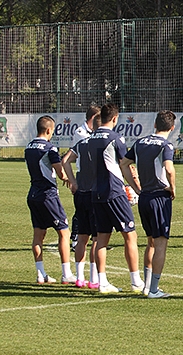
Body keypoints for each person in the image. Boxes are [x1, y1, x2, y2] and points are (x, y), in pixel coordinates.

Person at [87, 103, 145, 294]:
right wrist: (136, 188)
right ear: (114, 118)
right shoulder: (115, 138)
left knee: (101, 238)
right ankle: (136, 281)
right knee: (130, 235)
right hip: (114, 191)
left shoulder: (90, 139)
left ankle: (102, 282)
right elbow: (125, 165)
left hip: (96, 192)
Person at [121, 110, 177, 298]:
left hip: (144, 197)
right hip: (159, 198)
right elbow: (169, 169)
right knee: (161, 243)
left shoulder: (140, 142)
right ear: (172, 127)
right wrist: (172, 187)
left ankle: (146, 286)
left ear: (155, 124)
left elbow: (124, 164)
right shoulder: (166, 145)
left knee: (151, 242)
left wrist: (136, 188)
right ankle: (153, 289)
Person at [25, 116, 74, 284]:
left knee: (39, 234)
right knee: (64, 231)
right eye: (52, 130)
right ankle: (66, 273)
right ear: (48, 130)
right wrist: (69, 179)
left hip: (33, 194)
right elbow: (60, 173)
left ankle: (41, 274)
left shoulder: (29, 146)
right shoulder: (50, 149)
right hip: (48, 195)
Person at [61, 108, 102, 289]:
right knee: (97, 237)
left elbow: (64, 161)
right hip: (95, 192)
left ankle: (79, 278)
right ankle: (94, 279)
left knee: (82, 238)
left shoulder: (82, 143)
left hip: (81, 191)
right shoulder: (101, 143)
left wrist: (73, 182)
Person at [69, 105, 101, 251]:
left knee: (92, 209)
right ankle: (75, 237)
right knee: (82, 208)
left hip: (93, 173)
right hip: (83, 173)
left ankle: (97, 238)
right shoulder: (81, 132)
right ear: (94, 118)